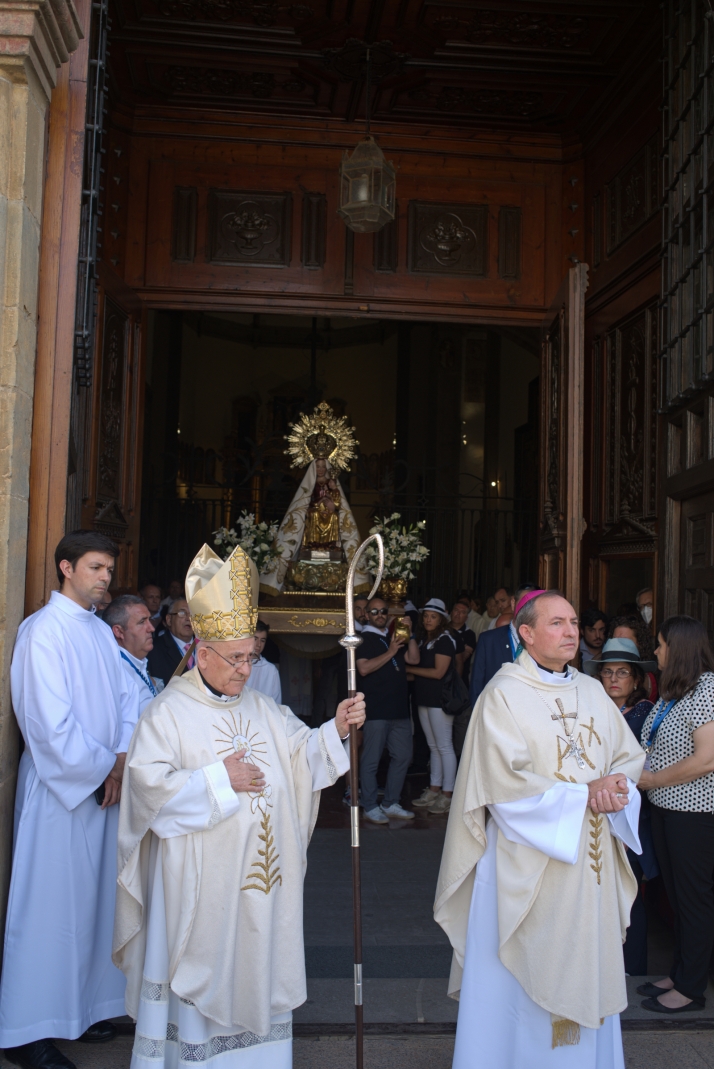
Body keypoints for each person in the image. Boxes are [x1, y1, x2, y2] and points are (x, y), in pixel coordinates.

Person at [113, 543, 365, 1069]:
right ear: (203, 653)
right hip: (199, 888)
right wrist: (215, 778)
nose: (248, 669)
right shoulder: (168, 713)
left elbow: (299, 753)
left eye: (252, 657)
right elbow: (146, 790)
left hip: (261, 888)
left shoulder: (265, 709)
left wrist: (336, 728)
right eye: (237, 658)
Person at [435, 589, 645, 1069]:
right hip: (525, 867)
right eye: (557, 623)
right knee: (521, 985)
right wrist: (584, 794)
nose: (571, 631)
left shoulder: (591, 690)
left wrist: (616, 785)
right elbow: (502, 785)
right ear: (526, 633)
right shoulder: (503, 694)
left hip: (588, 869)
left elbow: (627, 757)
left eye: (574, 622)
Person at [0, 531, 138, 1069]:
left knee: (94, 905)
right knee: (49, 910)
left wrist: (122, 759)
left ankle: (80, 1008)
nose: (105, 577)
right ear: (66, 568)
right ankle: (26, 1030)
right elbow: (46, 723)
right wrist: (104, 766)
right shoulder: (42, 632)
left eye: (109, 568)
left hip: (104, 785)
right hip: (62, 791)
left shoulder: (102, 635)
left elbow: (129, 699)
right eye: (96, 567)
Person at [636, 615, 714, 1014]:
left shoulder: (707, 689)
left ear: (679, 648)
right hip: (666, 809)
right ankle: (680, 971)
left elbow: (706, 760)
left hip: (694, 815)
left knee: (694, 899)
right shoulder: (675, 691)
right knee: (677, 897)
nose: (656, 651)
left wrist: (653, 779)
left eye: (661, 644)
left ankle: (691, 988)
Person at [584, 638, 657, 976]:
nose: (614, 679)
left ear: (636, 679)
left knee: (629, 890)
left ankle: (633, 967)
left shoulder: (644, 715)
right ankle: (600, 964)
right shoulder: (590, 711)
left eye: (623, 673)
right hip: (592, 812)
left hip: (629, 815)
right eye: (607, 672)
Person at [356, 597, 420, 824]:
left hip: (399, 708)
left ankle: (390, 802)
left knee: (403, 756)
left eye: (383, 611)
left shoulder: (393, 636)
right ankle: (370, 805)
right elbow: (363, 669)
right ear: (367, 614)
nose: (379, 615)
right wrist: (392, 651)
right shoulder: (363, 638)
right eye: (374, 611)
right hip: (376, 708)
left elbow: (414, 658)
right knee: (371, 760)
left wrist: (409, 635)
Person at [408, 599, 457, 815]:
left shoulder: (445, 641)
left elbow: (438, 672)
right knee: (433, 746)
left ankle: (448, 793)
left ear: (441, 620)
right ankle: (435, 788)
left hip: (439, 701)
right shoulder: (424, 640)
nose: (428, 620)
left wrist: (411, 670)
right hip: (424, 699)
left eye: (433, 616)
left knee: (444, 745)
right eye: (426, 616)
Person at [469, 586, 532, 706]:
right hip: (495, 709)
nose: (529, 608)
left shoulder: (544, 639)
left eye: (533, 603)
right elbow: (477, 683)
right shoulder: (488, 639)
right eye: (524, 601)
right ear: (513, 603)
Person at [105, 595, 163, 715]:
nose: (151, 628)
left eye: (149, 620)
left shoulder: (138, 662)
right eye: (142, 622)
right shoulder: (116, 671)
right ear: (119, 631)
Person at [608, 614, 658, 702]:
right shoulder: (602, 672)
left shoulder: (648, 679)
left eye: (625, 641)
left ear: (640, 643)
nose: (619, 645)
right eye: (615, 641)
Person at [147, 596, 194, 685]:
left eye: (192, 614)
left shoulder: (206, 646)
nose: (188, 618)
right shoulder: (153, 650)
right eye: (182, 613)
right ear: (169, 620)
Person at [250, 621, 282, 703]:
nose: (259, 644)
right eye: (255, 639)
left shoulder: (271, 670)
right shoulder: (236, 665)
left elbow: (276, 704)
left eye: (262, 640)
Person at [450, 601, 476, 678]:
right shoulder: (441, 630)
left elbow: (462, 658)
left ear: (466, 617)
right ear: (451, 612)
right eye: (456, 610)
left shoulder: (470, 635)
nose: (458, 613)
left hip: (460, 678)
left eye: (462, 612)